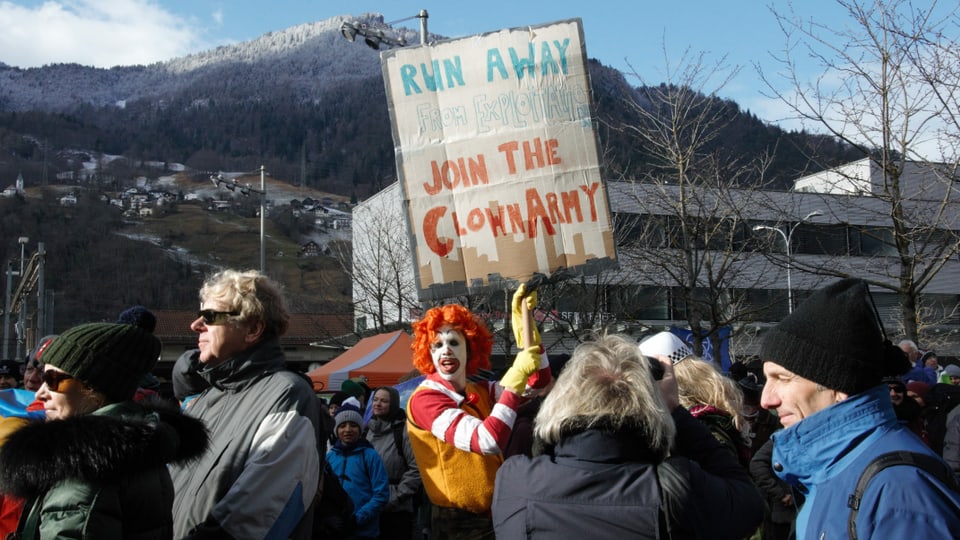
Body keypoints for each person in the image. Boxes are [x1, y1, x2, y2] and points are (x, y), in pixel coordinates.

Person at [491, 333, 764, 538]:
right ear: (648, 403)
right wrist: (674, 410)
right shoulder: (675, 487)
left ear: (562, 400)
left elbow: (544, 450)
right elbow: (750, 504)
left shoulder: (515, 481)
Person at [760, 278, 960, 538]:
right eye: (767, 379)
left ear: (838, 386)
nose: (766, 399)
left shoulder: (899, 490)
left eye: (782, 378)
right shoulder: (832, 467)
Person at [0, 322, 208, 539]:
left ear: (93, 386)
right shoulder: (138, 450)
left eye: (52, 379)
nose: (39, 394)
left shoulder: (83, 465)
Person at [169, 269, 322, 539]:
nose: (196, 325)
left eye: (209, 317)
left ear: (252, 329)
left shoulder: (286, 394)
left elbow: (258, 516)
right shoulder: (206, 399)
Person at [406, 285, 550, 539]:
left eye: (453, 342)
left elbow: (537, 381)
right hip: (457, 522)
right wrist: (516, 374)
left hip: (493, 513)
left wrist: (524, 324)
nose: (445, 350)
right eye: (436, 345)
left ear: (469, 348)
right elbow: (488, 440)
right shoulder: (425, 399)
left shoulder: (479, 389)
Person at [328, 399, 390, 539]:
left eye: (353, 425)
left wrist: (358, 518)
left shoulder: (370, 456)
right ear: (336, 429)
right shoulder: (330, 457)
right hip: (336, 529)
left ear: (360, 429)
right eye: (342, 425)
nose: (348, 430)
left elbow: (381, 494)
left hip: (364, 531)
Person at [365, 386, 422, 540]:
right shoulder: (366, 431)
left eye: (384, 401)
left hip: (397, 508)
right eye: (375, 400)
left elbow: (416, 468)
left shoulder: (404, 431)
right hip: (369, 505)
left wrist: (396, 497)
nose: (377, 404)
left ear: (393, 405)